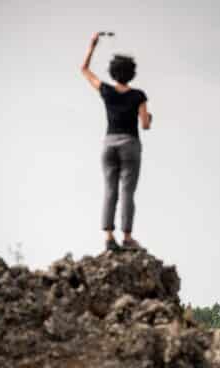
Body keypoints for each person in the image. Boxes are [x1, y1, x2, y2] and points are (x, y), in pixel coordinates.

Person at [80, 32, 152, 251]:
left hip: (109, 144)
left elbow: (84, 70)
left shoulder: (107, 91)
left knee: (110, 190)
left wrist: (92, 46)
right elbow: (145, 124)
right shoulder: (138, 95)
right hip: (130, 144)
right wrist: (149, 118)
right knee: (127, 191)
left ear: (112, 73)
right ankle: (128, 238)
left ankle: (109, 237)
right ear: (132, 74)